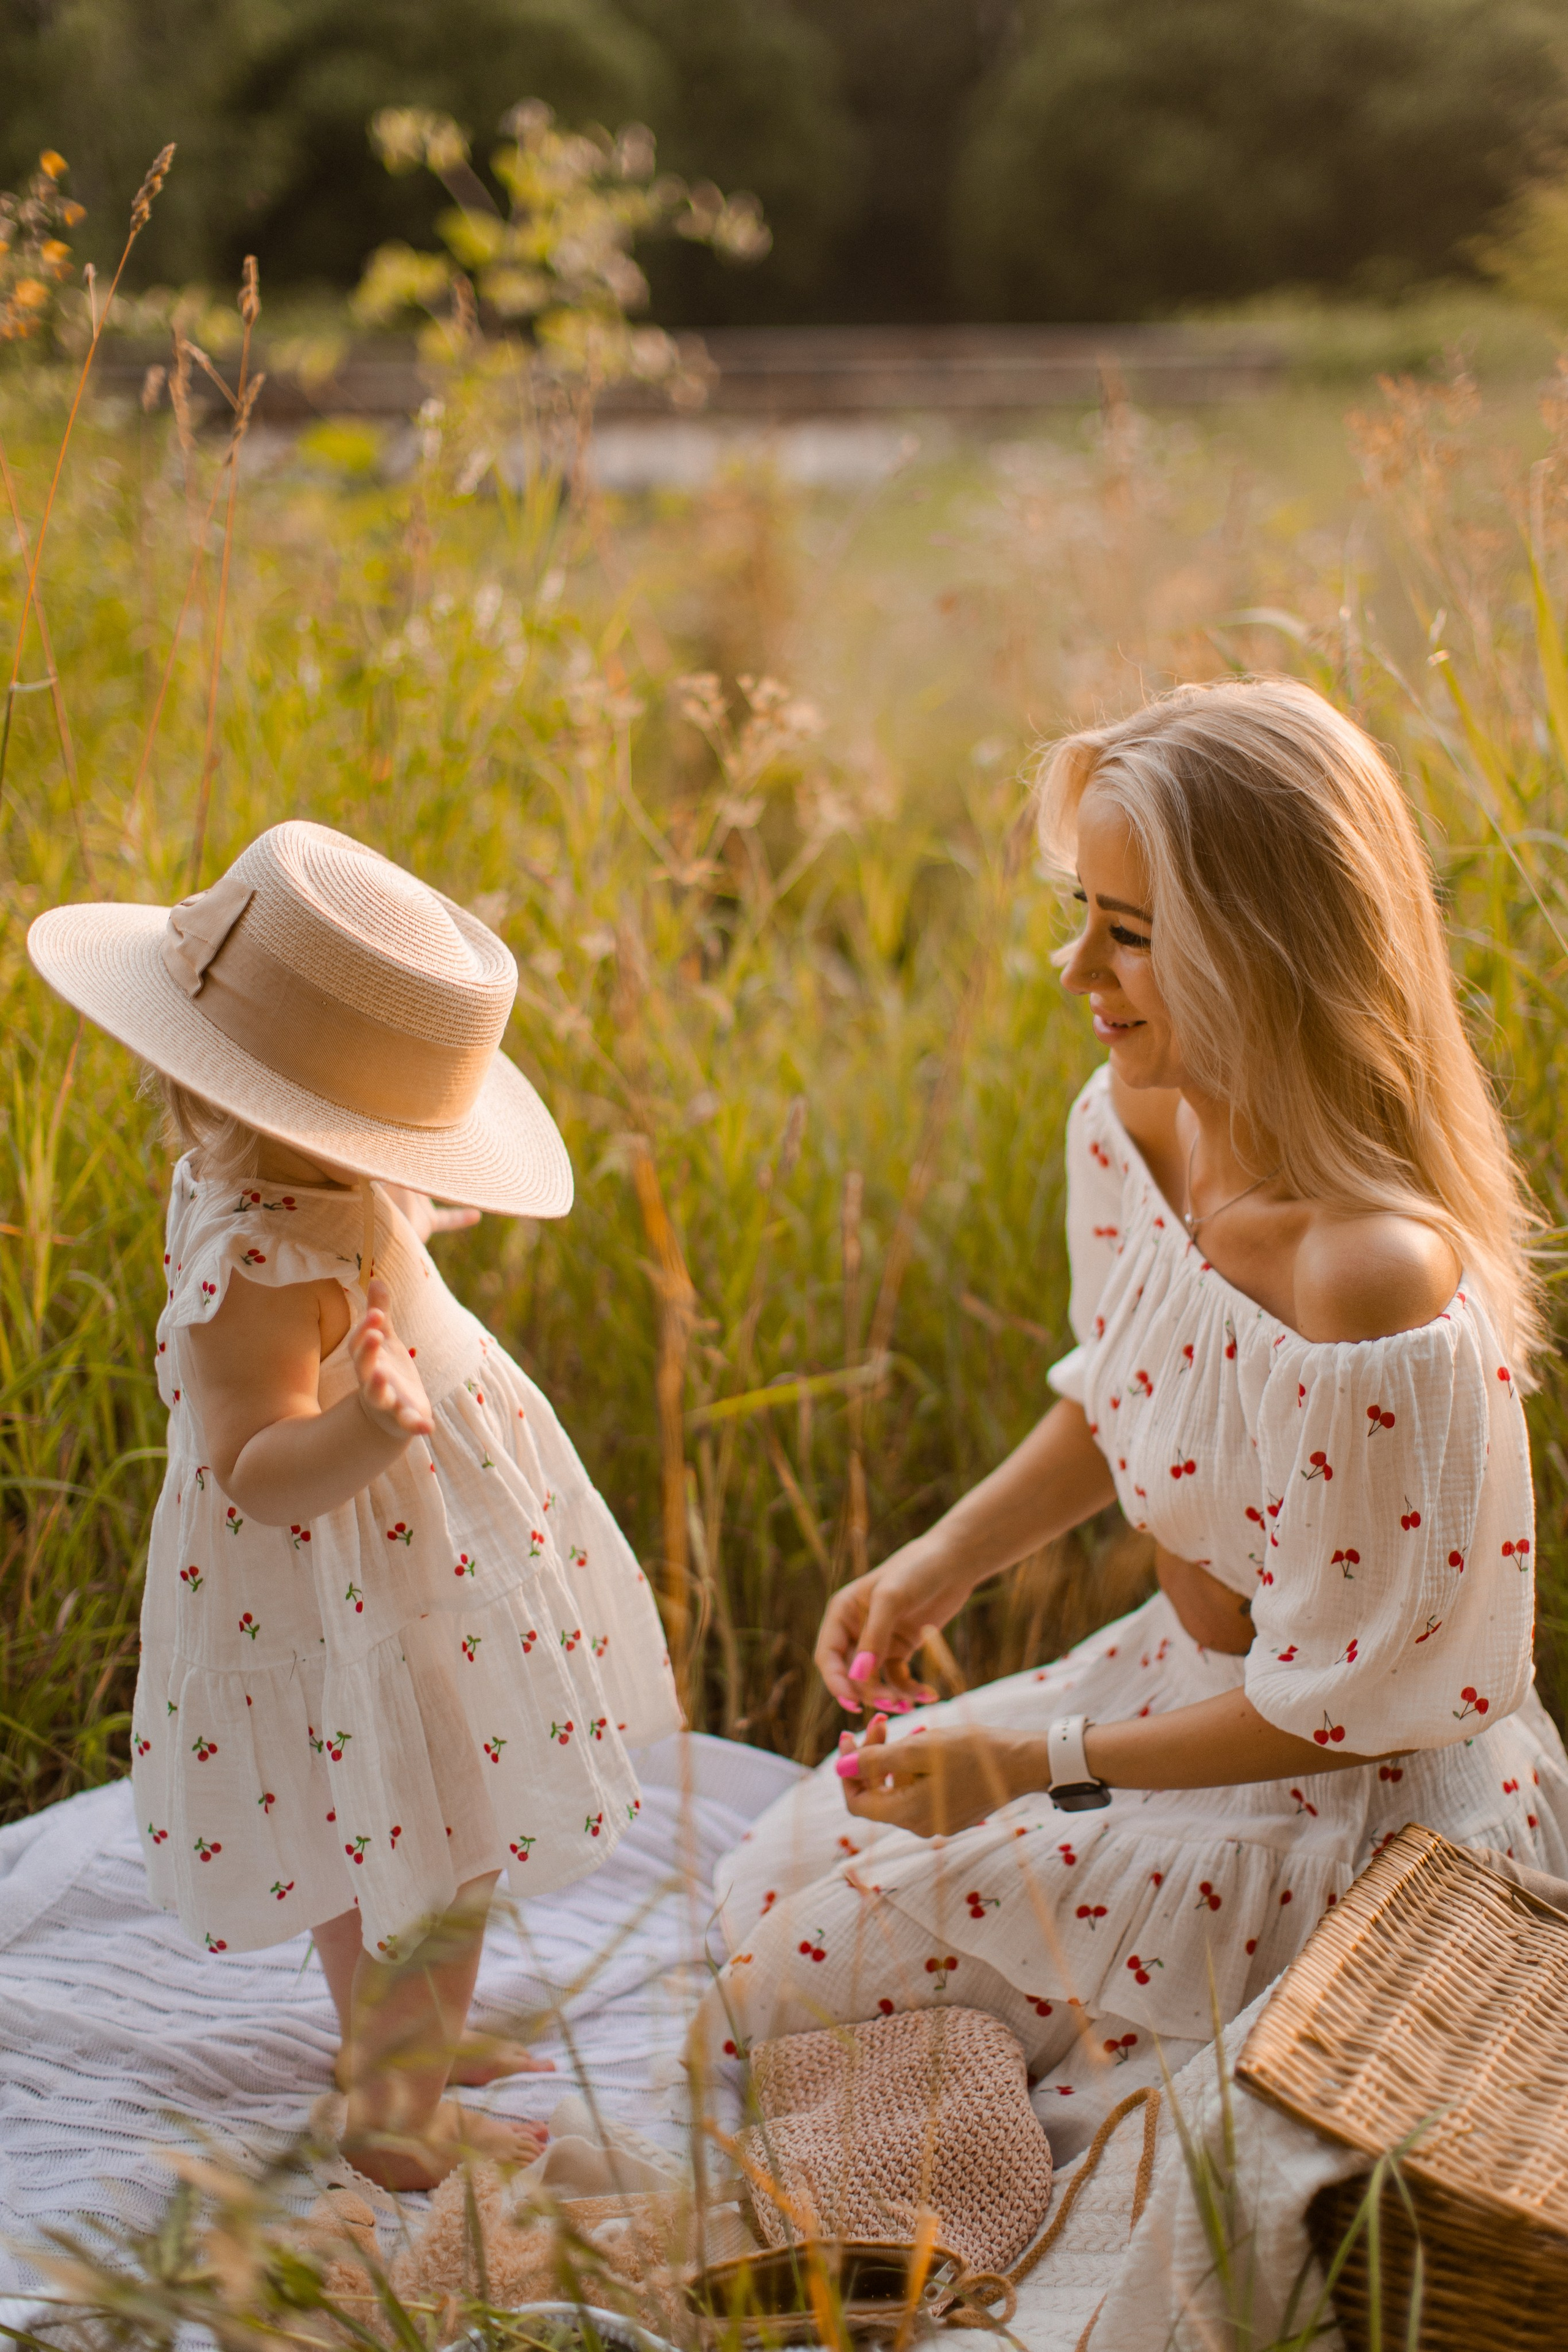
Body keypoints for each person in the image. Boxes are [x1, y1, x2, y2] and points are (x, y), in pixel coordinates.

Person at [701, 678, 1568, 2148]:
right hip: (1162, 1696)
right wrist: (938, 1565)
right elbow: (1123, 1396)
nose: (1069, 969)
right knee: (765, 1889)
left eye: (1125, 934)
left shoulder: (1369, 1275)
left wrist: (1031, 1771)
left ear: (1262, 960)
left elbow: (1354, 1709)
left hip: (1337, 1813)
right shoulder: (1135, 1119)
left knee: (781, 1990)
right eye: (1080, 911)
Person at [27, 822, 680, 2188]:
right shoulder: (259, 1266)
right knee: (417, 1817)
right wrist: (372, 1428)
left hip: (415, 1558)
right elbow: (253, 1470)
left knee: (415, 1814)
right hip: (350, 1575)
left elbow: (353, 1222)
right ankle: (395, 2110)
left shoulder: (298, 1187)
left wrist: (406, 1223)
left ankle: (400, 2059)